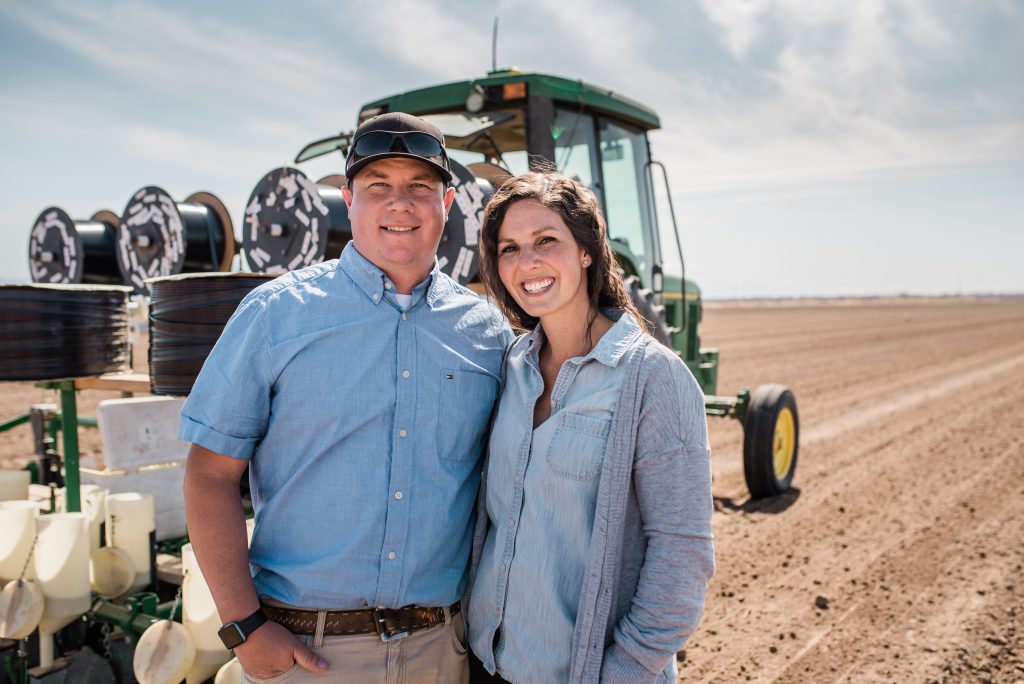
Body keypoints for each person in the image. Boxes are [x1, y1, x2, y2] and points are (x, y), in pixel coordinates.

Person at [181, 112, 511, 683]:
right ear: (348, 198)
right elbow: (209, 474)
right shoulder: (275, 316)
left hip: (442, 650)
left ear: (449, 202)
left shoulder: (488, 335)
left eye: (420, 188)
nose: (400, 204)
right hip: (309, 654)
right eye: (378, 186)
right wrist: (243, 626)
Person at [465, 171, 715, 683]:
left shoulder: (654, 379)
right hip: (485, 664)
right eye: (508, 248)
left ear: (586, 251)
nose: (526, 263)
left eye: (546, 241)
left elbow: (682, 556)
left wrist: (623, 672)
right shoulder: (510, 368)